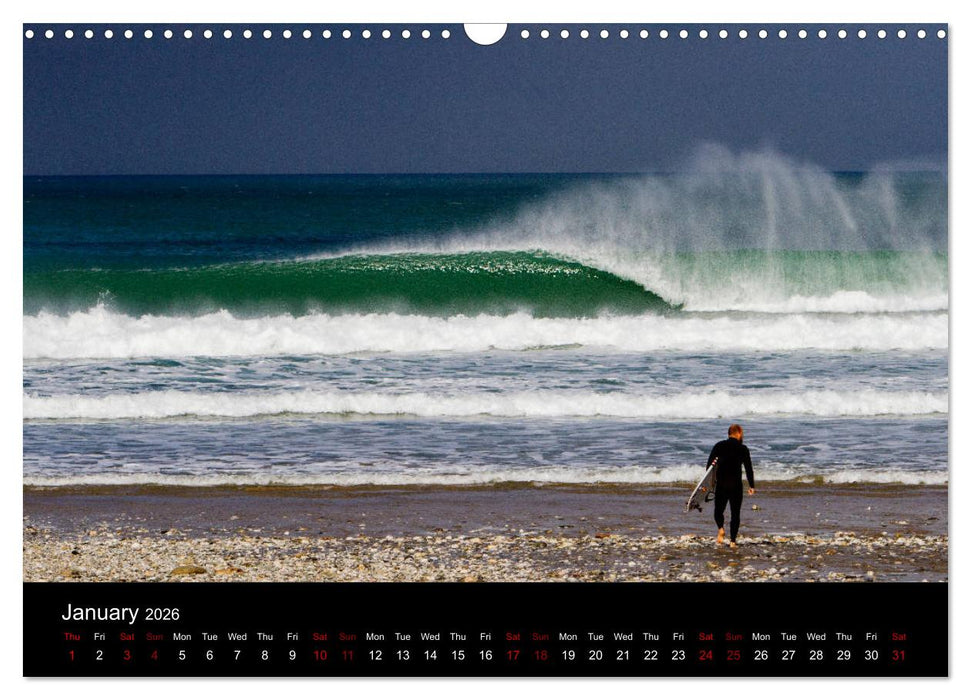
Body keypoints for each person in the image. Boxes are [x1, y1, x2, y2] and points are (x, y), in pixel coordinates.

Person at [705, 424, 755, 548]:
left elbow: (710, 466)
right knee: (735, 514)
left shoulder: (719, 446)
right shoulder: (743, 448)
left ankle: (721, 528)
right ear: (738, 433)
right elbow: (749, 468)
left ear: (729, 433)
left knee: (718, 510)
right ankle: (733, 541)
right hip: (736, 485)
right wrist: (751, 485)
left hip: (721, 484)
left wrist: (709, 483)